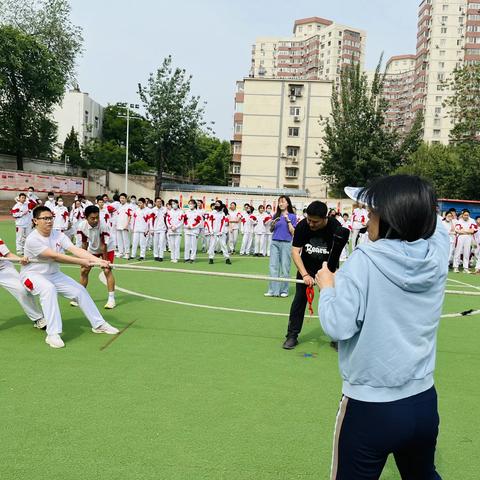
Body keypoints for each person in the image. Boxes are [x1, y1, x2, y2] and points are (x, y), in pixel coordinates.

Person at [316, 175, 447, 479]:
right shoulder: (437, 253)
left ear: (392, 219)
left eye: (373, 212)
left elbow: (338, 326)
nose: (368, 219)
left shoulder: (363, 262)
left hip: (369, 407)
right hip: (423, 400)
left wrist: (327, 286)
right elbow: (434, 222)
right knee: (423, 474)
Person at [20, 206, 119, 349]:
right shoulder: (32, 239)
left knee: (79, 291)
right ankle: (52, 334)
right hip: (32, 276)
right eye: (45, 218)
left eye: (50, 218)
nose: (49, 221)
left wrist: (99, 261)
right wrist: (83, 262)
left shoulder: (58, 234)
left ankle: (99, 324)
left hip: (53, 274)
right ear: (35, 221)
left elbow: (75, 250)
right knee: (49, 289)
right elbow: (55, 256)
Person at [282, 200, 341, 349]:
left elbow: (337, 253)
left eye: (315, 221)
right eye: (309, 220)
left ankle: (336, 337)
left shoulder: (335, 227)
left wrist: (329, 273)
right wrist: (305, 275)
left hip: (328, 268)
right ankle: (292, 335)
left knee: (333, 301)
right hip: (306, 268)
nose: (311, 224)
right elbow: (295, 252)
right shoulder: (303, 226)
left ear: (325, 218)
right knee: (299, 300)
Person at [75, 205, 116, 309]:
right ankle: (79, 297)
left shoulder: (103, 225)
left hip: (107, 248)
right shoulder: (81, 226)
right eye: (92, 218)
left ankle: (111, 299)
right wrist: (84, 260)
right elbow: (84, 244)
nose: (95, 220)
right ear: (86, 217)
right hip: (93, 248)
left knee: (107, 270)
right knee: (84, 270)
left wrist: (105, 261)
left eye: (97, 217)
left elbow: (104, 245)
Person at [0, 238, 46, 329]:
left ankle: (38, 318)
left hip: (3, 268)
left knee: (22, 290)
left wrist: (20, 259)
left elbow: (8, 254)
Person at [264, 196, 297, 298]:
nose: (280, 204)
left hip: (286, 243)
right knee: (273, 267)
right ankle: (273, 290)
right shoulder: (276, 215)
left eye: (283, 202)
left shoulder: (292, 216)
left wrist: (288, 220)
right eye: (279, 202)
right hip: (275, 242)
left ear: (288, 204)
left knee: (285, 266)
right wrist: (273, 224)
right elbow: (271, 230)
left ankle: (284, 290)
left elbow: (293, 232)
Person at [453, 209, 477, 273]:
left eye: (467, 215)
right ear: (462, 215)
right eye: (465, 215)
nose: (466, 216)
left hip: (469, 237)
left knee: (467, 252)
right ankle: (456, 267)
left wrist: (464, 231)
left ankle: (465, 268)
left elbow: (473, 231)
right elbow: (457, 231)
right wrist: (467, 231)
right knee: (457, 252)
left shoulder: (472, 220)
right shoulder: (459, 221)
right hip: (460, 237)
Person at [207, 200, 232, 265]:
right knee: (212, 245)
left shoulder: (222, 214)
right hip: (213, 232)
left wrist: (221, 231)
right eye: (216, 204)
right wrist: (211, 231)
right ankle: (211, 258)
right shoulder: (212, 213)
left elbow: (223, 223)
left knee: (223, 245)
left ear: (221, 205)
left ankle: (227, 258)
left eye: (218, 204)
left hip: (221, 233)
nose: (216, 205)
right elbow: (209, 222)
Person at [166, 199, 184, 263]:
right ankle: (172, 257)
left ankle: (176, 258)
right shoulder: (169, 212)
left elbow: (182, 221)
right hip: (171, 230)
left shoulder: (181, 212)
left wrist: (175, 227)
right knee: (172, 245)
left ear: (177, 204)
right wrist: (170, 226)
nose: (173, 205)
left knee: (177, 245)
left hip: (178, 231)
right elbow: (167, 220)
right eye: (172, 204)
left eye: (174, 203)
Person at [116, 193, 133, 259]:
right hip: (119, 225)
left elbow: (130, 216)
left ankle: (127, 253)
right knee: (119, 240)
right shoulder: (119, 206)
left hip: (125, 225)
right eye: (121, 198)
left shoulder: (128, 206)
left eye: (123, 198)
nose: (122, 199)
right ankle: (121, 252)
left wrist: (127, 225)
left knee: (126, 240)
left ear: (126, 199)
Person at [152, 197, 167, 262]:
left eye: (160, 201)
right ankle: (156, 255)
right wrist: (151, 229)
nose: (159, 203)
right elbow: (150, 220)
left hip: (162, 229)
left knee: (161, 243)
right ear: (155, 202)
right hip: (155, 229)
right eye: (157, 201)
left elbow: (167, 218)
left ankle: (161, 256)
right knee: (155, 243)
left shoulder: (165, 209)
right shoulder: (153, 210)